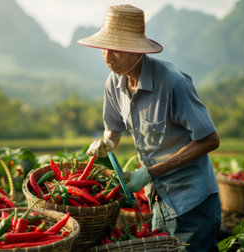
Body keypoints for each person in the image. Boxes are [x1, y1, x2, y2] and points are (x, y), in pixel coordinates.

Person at [78, 4, 221, 252]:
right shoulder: (113, 82)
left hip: (192, 201)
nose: (108, 58)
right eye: (105, 48)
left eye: (117, 50)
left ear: (137, 50)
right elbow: (113, 128)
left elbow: (210, 140)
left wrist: (151, 172)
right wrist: (107, 143)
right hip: (159, 200)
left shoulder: (172, 83)